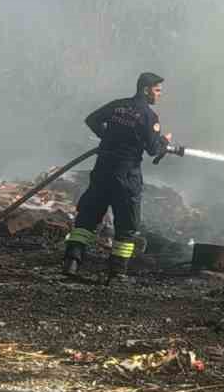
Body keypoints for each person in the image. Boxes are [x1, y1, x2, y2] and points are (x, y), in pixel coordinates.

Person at [61, 72, 182, 283]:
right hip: (126, 176)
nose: (159, 95)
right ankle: (117, 274)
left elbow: (91, 119)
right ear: (146, 89)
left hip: (102, 171)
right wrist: (164, 140)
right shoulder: (149, 116)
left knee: (87, 217)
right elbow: (153, 149)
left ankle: (71, 263)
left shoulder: (117, 105)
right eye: (157, 90)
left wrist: (107, 137)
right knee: (127, 225)